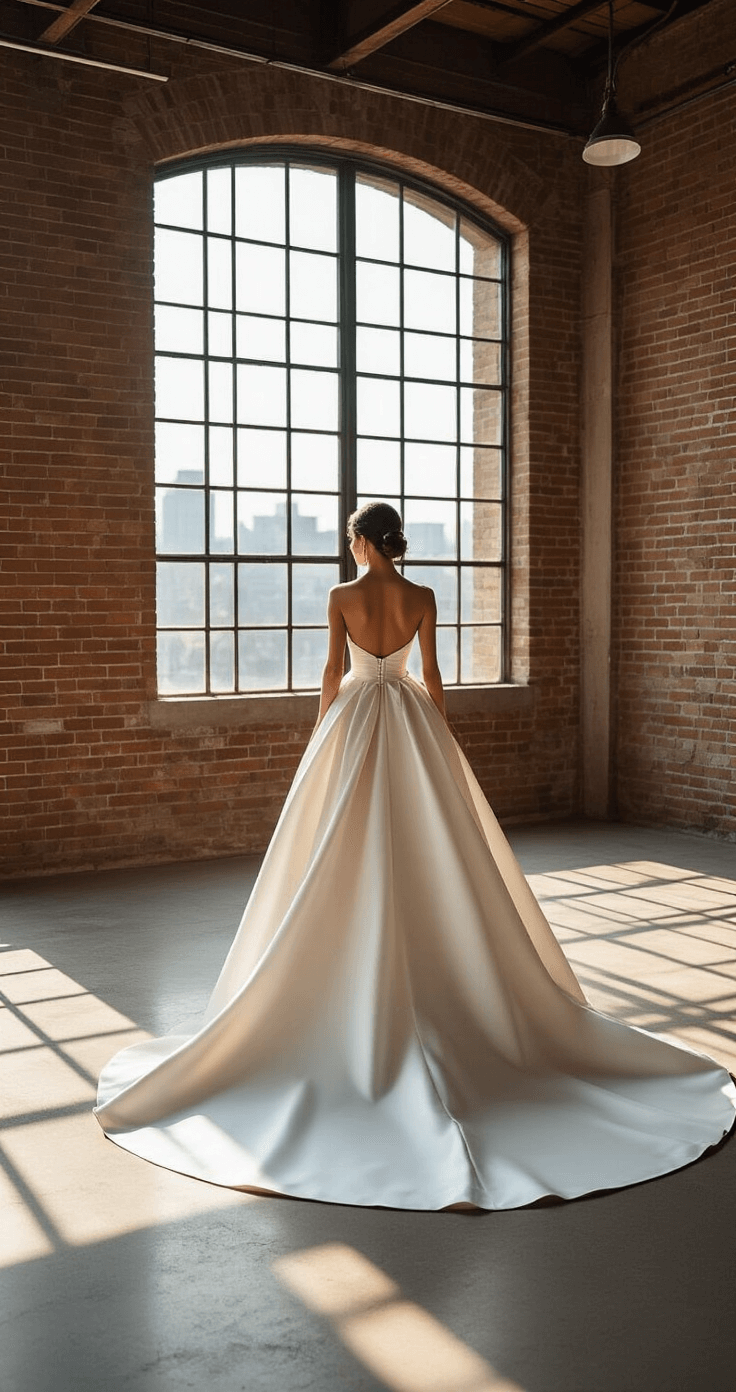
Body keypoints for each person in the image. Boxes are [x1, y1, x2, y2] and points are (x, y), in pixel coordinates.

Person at [96, 502, 735, 1211]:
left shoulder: (342, 596)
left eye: (351, 539)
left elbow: (332, 673)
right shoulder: (423, 596)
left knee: (337, 841)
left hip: (354, 722)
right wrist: (444, 746)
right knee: (434, 844)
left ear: (364, 542)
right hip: (410, 723)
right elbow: (432, 677)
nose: (350, 548)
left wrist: (321, 739)